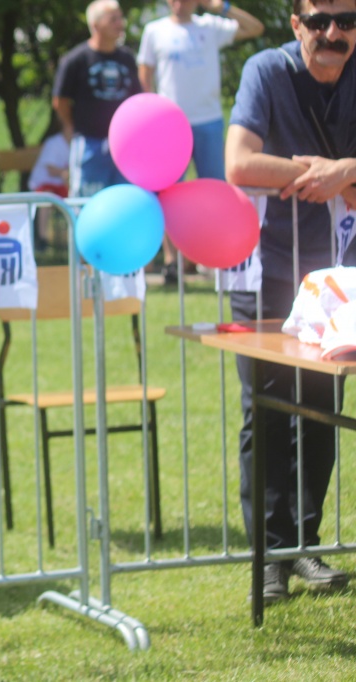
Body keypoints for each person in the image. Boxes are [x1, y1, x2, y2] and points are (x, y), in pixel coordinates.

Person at [224, 0, 356, 603]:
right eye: (321, 19)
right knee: (267, 412)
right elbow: (238, 163)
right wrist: (324, 176)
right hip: (266, 270)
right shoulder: (266, 71)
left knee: (322, 411)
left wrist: (343, 169)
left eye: (348, 21)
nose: (334, 33)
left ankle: (305, 546)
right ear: (297, 23)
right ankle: (268, 558)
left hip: (336, 281)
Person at [138, 0, 264, 284]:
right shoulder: (154, 30)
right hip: (171, 123)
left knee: (216, 190)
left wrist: (221, 7)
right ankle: (172, 261)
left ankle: (215, 256)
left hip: (208, 120)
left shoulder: (210, 26)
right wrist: (152, 108)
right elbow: (145, 71)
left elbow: (255, 28)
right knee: (168, 192)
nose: (178, 2)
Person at [52, 0, 142, 199]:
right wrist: (71, 127)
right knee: (87, 201)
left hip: (124, 145)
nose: (120, 23)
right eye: (113, 19)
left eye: (120, 18)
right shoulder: (76, 60)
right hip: (89, 144)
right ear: (95, 25)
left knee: (125, 199)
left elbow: (137, 100)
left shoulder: (127, 58)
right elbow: (60, 101)